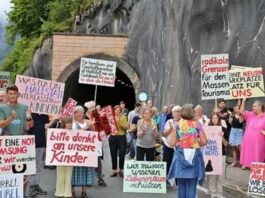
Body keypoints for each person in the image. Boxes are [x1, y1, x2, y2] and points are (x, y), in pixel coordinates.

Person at [168, 104, 207, 198]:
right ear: (192, 113)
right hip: (194, 154)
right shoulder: (197, 125)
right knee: (192, 185)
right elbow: (204, 141)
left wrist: (173, 131)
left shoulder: (178, 125)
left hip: (181, 154)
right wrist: (196, 143)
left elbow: (172, 143)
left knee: (181, 185)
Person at [71, 106, 94, 198]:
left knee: (85, 170)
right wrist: (84, 129)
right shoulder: (72, 123)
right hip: (74, 152)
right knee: (73, 171)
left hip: (86, 152)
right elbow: (71, 135)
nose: (78, 114)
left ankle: (83, 191)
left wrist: (92, 126)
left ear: (83, 113)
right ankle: (72, 191)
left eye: (80, 112)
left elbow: (94, 135)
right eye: (76, 112)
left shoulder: (88, 122)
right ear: (74, 114)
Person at [84, 101, 107, 187]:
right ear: (88, 109)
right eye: (91, 108)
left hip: (97, 141)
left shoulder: (98, 116)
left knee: (98, 161)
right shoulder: (84, 116)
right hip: (87, 142)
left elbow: (103, 127)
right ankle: (88, 179)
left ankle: (100, 178)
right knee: (88, 161)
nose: (93, 109)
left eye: (93, 107)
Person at [28, 113, 50, 197]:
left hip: (41, 142)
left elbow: (45, 126)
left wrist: (55, 119)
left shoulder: (45, 114)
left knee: (39, 165)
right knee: (32, 165)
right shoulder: (30, 113)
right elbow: (29, 126)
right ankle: (32, 186)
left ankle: (36, 185)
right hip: (30, 142)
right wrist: (28, 115)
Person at [240, 99, 265, 169]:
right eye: (252, 106)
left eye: (254, 106)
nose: (252, 108)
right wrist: (243, 101)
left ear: (260, 107)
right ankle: (253, 176)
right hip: (248, 142)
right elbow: (241, 112)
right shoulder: (250, 114)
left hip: (259, 143)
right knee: (249, 157)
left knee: (258, 158)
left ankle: (257, 175)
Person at [207, 113, 227, 198]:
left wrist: (222, 137)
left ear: (219, 120)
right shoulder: (207, 129)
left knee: (220, 174)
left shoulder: (223, 129)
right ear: (211, 119)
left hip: (221, 154)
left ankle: (220, 192)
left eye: (216, 118)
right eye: (213, 118)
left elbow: (226, 144)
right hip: (211, 154)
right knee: (212, 174)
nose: (214, 120)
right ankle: (213, 192)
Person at [163, 105, 182, 187]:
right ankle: (166, 180)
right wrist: (170, 129)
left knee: (178, 164)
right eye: (175, 112)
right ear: (172, 113)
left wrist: (176, 131)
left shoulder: (183, 122)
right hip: (168, 145)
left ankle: (178, 182)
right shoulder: (169, 121)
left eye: (179, 112)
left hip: (178, 146)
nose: (177, 113)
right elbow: (164, 133)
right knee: (167, 162)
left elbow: (182, 135)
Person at [55, 116, 73, 198]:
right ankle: (59, 193)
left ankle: (67, 193)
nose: (69, 124)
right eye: (68, 123)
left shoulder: (74, 132)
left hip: (71, 157)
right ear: (64, 123)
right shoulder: (58, 132)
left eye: (70, 123)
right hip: (60, 157)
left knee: (68, 176)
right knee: (60, 175)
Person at [109, 105, 128, 177]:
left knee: (122, 154)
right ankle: (114, 170)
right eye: (116, 110)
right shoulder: (111, 118)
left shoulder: (123, 117)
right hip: (113, 137)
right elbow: (107, 127)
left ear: (121, 111)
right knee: (113, 154)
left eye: (119, 110)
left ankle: (120, 170)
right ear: (114, 111)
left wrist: (119, 123)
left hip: (121, 137)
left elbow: (126, 127)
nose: (117, 111)